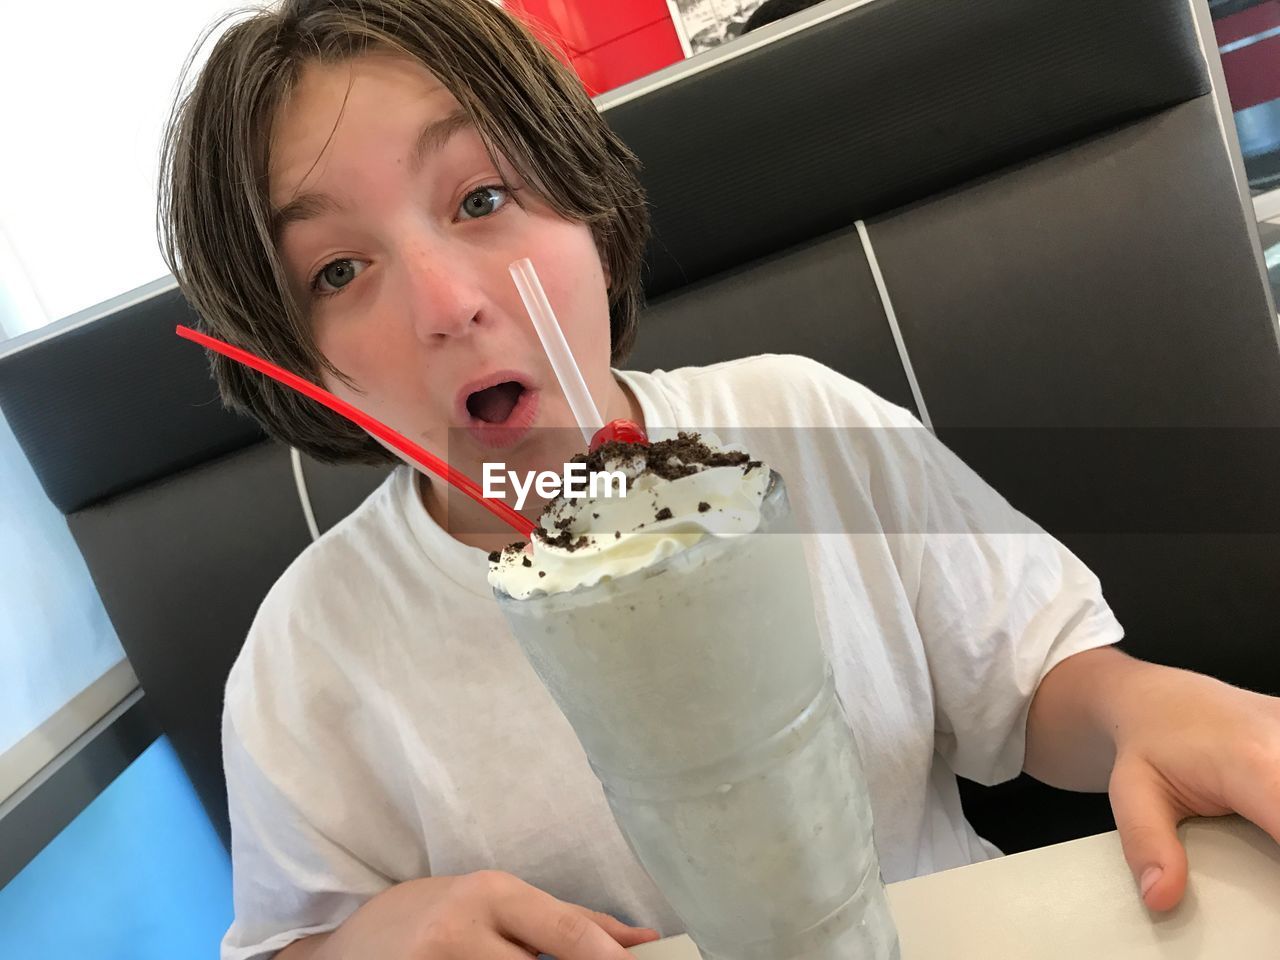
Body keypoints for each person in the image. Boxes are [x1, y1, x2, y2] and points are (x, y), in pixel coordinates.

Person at [158, 1, 1280, 958]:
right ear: (304, 368)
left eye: (482, 196)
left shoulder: (797, 421)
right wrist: (368, 937)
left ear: (585, 200)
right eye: (337, 271)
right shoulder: (310, 657)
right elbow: (295, 942)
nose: (446, 303)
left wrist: (1140, 705)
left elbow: (1033, 680)